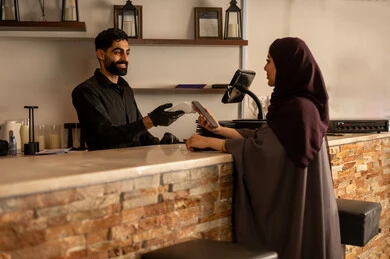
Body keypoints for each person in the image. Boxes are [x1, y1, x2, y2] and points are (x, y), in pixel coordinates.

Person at [185, 37, 342, 259]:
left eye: (270, 61)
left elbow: (264, 152)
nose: (265, 67)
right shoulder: (301, 105)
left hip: (293, 213)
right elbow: (266, 138)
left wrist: (211, 143)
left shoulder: (297, 109)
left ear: (287, 65)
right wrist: (218, 130)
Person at [72, 28, 184, 150]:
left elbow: (141, 134)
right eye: (118, 52)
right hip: (108, 167)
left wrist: (162, 145)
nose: (125, 58)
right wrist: (151, 120)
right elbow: (104, 136)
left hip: (135, 166)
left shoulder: (126, 89)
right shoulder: (85, 91)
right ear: (101, 54)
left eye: (127, 52)